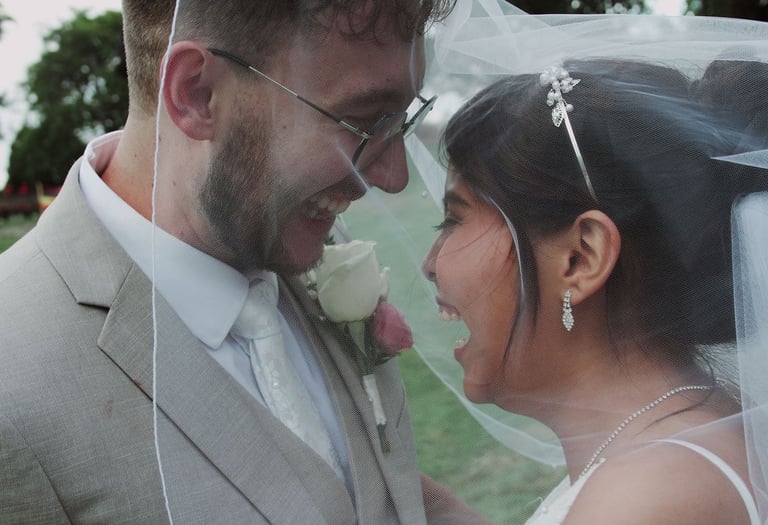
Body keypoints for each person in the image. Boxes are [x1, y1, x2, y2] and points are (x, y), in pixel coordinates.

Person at [0, 0, 490, 523]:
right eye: (363, 122)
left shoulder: (310, 237)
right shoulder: (15, 388)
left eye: (404, 120)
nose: (393, 176)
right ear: (197, 94)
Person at [420, 53, 768, 523]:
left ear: (581, 256)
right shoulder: (677, 446)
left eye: (454, 218)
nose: (429, 264)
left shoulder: (647, 494)